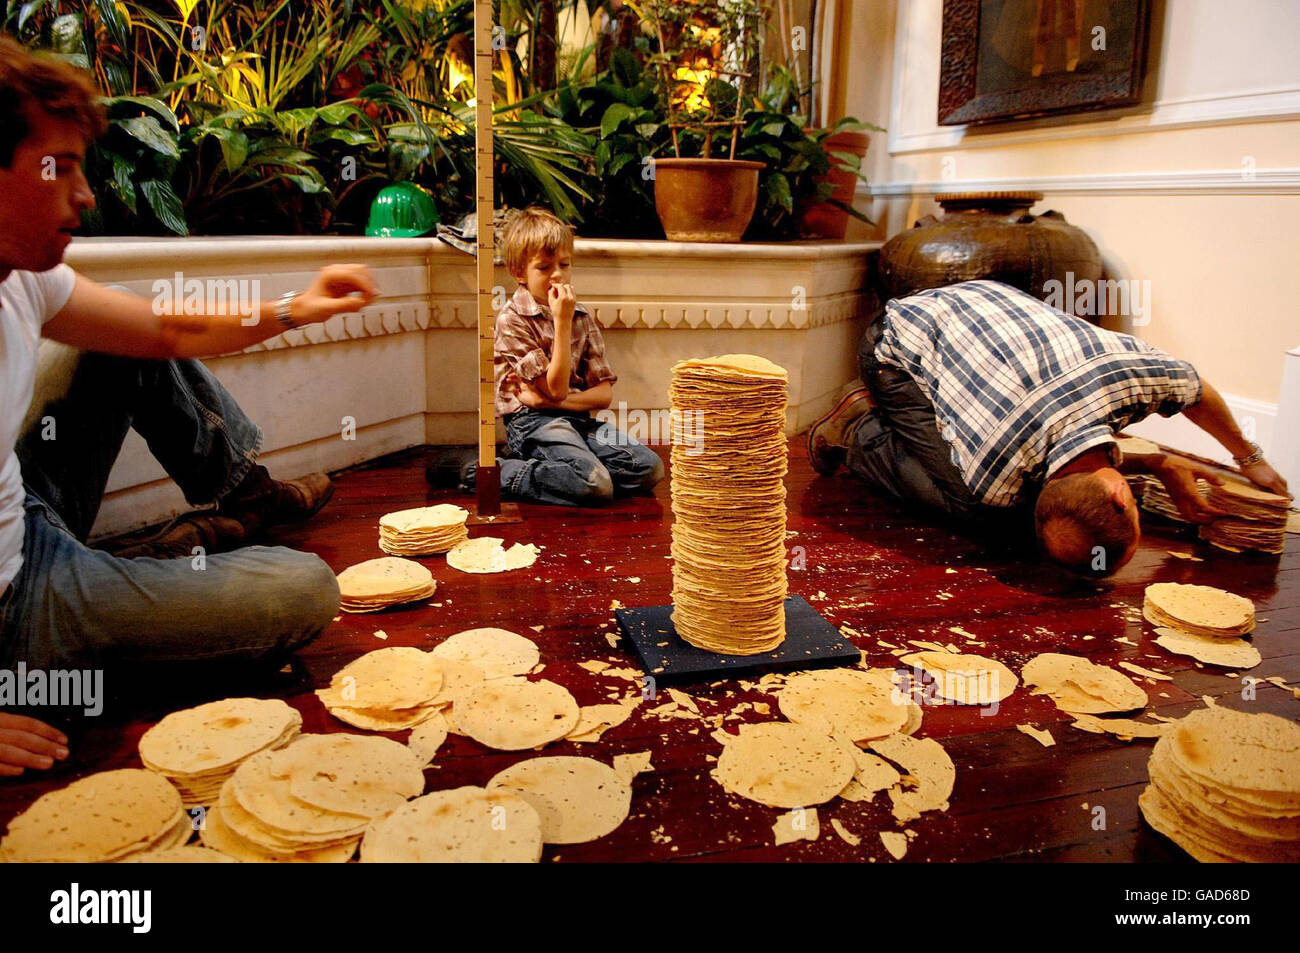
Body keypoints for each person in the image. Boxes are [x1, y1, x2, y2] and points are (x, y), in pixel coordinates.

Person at [0, 39, 378, 777]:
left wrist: (296, 307)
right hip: (18, 606)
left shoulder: (25, 277)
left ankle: (240, 494)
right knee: (303, 589)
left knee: (113, 347)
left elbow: (166, 324)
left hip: (32, 514)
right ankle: (118, 600)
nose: (85, 196)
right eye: (62, 167)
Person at [808, 279, 1290, 576]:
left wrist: (1251, 459)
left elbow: (1197, 390)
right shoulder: (993, 481)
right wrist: (1158, 462)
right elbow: (1008, 500)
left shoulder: (1132, 376)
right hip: (898, 340)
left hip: (984, 303)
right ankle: (857, 429)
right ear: (1121, 494)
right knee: (977, 515)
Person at [427, 206, 663, 504]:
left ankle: (566, 469)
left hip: (577, 420)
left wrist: (554, 400)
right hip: (533, 421)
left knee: (648, 468)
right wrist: (561, 324)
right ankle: (480, 470)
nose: (557, 275)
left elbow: (602, 395)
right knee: (594, 484)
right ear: (518, 272)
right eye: (544, 267)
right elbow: (556, 387)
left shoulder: (581, 316)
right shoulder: (512, 320)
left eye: (564, 264)